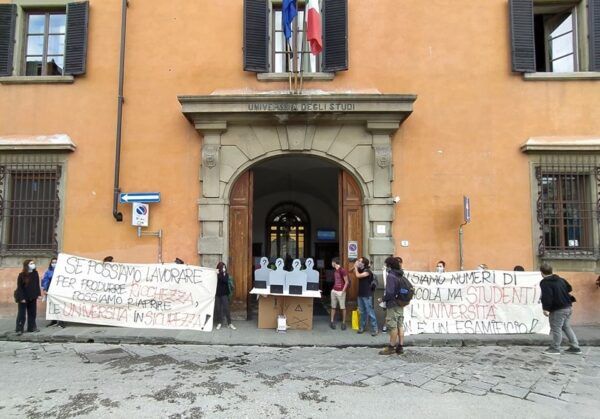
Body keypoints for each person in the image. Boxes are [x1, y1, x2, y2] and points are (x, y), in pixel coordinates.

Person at [539, 262, 581, 355]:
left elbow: (547, 296)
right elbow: (569, 288)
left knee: (556, 328)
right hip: (568, 306)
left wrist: (546, 309)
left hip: (558, 309)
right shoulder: (561, 279)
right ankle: (575, 346)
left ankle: (555, 348)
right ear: (551, 270)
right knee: (566, 326)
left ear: (541, 272)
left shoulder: (545, 282)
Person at [379, 256, 405, 355]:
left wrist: (382, 299)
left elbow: (390, 293)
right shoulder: (400, 274)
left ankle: (391, 347)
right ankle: (400, 347)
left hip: (393, 304)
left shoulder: (391, 276)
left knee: (393, 326)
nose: (386, 267)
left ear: (389, 265)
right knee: (400, 325)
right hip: (400, 303)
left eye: (386, 265)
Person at [15, 259, 41, 336]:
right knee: (21, 314)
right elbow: (19, 288)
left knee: (32, 313)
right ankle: (19, 329)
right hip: (23, 297)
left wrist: (38, 294)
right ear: (27, 265)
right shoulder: (21, 275)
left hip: (33, 297)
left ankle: (31, 327)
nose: (33, 265)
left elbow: (37, 285)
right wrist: (21, 298)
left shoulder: (35, 273)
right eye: (31, 263)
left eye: (33, 263)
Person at [353, 257, 378, 336]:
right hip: (360, 294)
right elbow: (351, 271)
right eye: (358, 261)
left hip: (367, 294)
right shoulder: (361, 270)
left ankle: (375, 328)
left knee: (370, 312)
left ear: (364, 263)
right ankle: (362, 327)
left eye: (360, 261)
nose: (358, 262)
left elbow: (358, 276)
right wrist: (355, 266)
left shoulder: (367, 271)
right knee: (362, 312)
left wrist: (356, 267)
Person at [41, 258, 64, 328]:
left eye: (55, 262)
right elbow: (45, 280)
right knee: (51, 306)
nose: (54, 264)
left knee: (60, 306)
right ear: (50, 263)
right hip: (50, 291)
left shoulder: (62, 271)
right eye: (53, 262)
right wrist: (45, 289)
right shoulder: (48, 271)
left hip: (59, 291)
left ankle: (61, 321)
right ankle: (53, 320)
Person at [214, 262, 235, 330]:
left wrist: (221, 273)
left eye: (224, 267)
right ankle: (219, 323)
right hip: (217, 294)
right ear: (219, 268)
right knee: (218, 309)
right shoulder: (215, 274)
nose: (224, 268)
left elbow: (224, 280)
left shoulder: (226, 274)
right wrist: (217, 273)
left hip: (224, 294)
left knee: (226, 308)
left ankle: (229, 323)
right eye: (223, 267)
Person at [330, 257, 349, 330]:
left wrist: (342, 291)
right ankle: (332, 321)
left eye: (332, 262)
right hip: (334, 291)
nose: (331, 264)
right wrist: (333, 290)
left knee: (342, 307)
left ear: (334, 262)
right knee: (333, 306)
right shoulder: (335, 270)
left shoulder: (342, 270)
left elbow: (346, 282)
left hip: (340, 291)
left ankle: (343, 323)